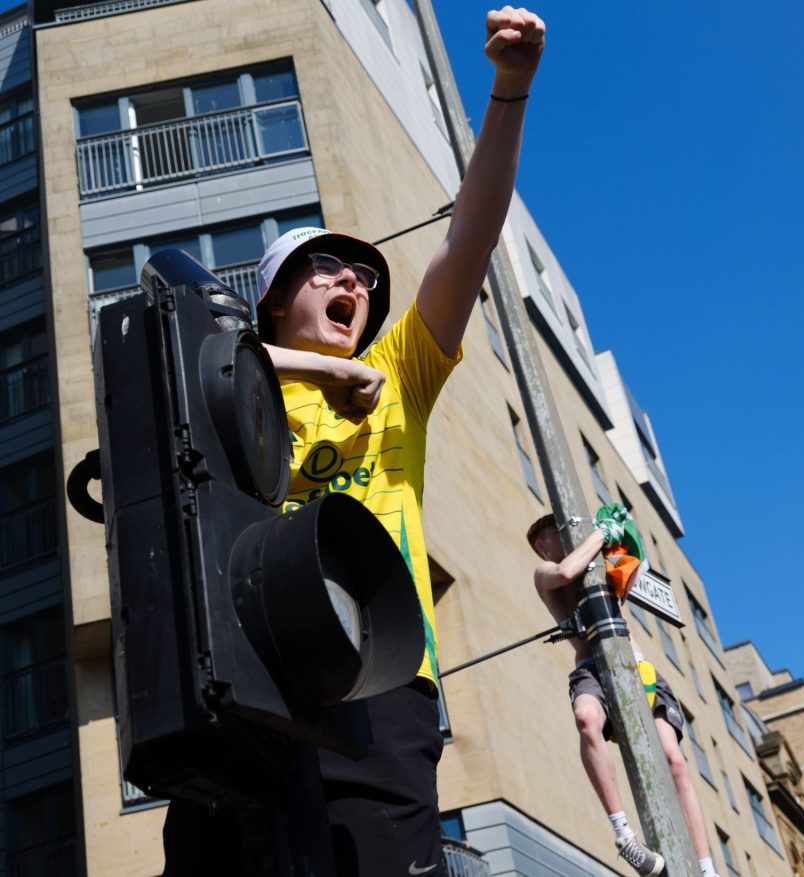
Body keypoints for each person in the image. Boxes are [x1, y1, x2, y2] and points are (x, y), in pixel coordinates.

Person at [252, 7, 546, 875]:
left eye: (365, 278)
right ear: (272, 302)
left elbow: (471, 238)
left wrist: (510, 90)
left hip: (382, 685)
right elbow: (166, 349)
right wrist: (315, 374)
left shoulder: (399, 375)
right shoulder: (235, 391)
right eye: (327, 266)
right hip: (261, 689)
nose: (355, 279)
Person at [527, 514, 721, 877]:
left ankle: (707, 869)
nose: (571, 535)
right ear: (543, 543)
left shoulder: (598, 561)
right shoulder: (545, 570)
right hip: (591, 667)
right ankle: (624, 836)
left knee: (675, 761)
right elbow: (568, 572)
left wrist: (624, 540)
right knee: (586, 720)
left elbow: (632, 573)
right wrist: (601, 534)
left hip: (638, 665)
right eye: (560, 532)